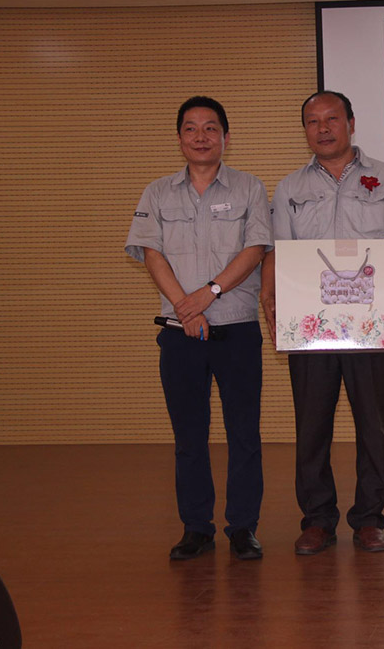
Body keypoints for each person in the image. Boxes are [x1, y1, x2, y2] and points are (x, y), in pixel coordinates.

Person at [262, 91, 384, 555]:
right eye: (312, 121)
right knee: (311, 426)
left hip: (372, 327)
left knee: (372, 425)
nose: (322, 128)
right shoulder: (289, 188)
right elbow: (278, 251)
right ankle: (317, 520)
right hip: (311, 326)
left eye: (331, 119)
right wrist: (268, 291)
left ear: (351, 123)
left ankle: (369, 519)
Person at [125, 96, 273, 560]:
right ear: (179, 139)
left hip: (237, 329)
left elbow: (255, 250)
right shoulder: (157, 193)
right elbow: (151, 254)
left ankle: (243, 528)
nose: (201, 137)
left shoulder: (250, 188)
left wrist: (208, 294)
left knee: (244, 434)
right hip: (179, 332)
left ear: (226, 137)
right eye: (191, 128)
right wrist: (186, 310)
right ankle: (196, 528)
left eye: (211, 128)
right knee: (189, 436)